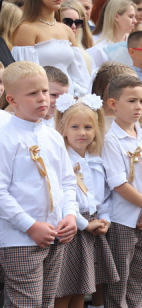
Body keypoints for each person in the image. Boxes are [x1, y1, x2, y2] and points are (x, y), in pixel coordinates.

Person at [0, 61, 78, 307]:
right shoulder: (5, 138)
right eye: (32, 93)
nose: (43, 98)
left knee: (46, 302)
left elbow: (67, 181)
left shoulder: (52, 136)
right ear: (12, 100)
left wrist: (70, 215)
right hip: (20, 239)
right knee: (26, 303)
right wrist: (30, 226)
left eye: (44, 91)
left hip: (55, 234)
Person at [102, 74, 142, 308]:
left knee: (141, 276)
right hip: (123, 221)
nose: (138, 106)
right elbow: (119, 183)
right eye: (131, 101)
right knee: (119, 278)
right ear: (113, 104)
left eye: (141, 100)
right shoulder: (111, 140)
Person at [53, 93, 117, 308]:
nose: (82, 133)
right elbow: (62, 198)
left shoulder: (95, 161)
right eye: (75, 127)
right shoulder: (61, 160)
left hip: (92, 226)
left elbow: (103, 196)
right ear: (63, 129)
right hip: (71, 229)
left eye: (88, 127)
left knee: (82, 288)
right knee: (64, 289)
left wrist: (104, 218)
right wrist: (84, 224)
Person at [11, 0, 91, 97]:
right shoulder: (26, 29)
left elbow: (79, 74)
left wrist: (83, 99)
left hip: (68, 99)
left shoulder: (65, 29)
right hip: (42, 100)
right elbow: (26, 78)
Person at [87, 0, 137, 69]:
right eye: (130, 16)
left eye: (134, 17)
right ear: (116, 17)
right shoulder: (98, 50)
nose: (135, 21)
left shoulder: (136, 44)